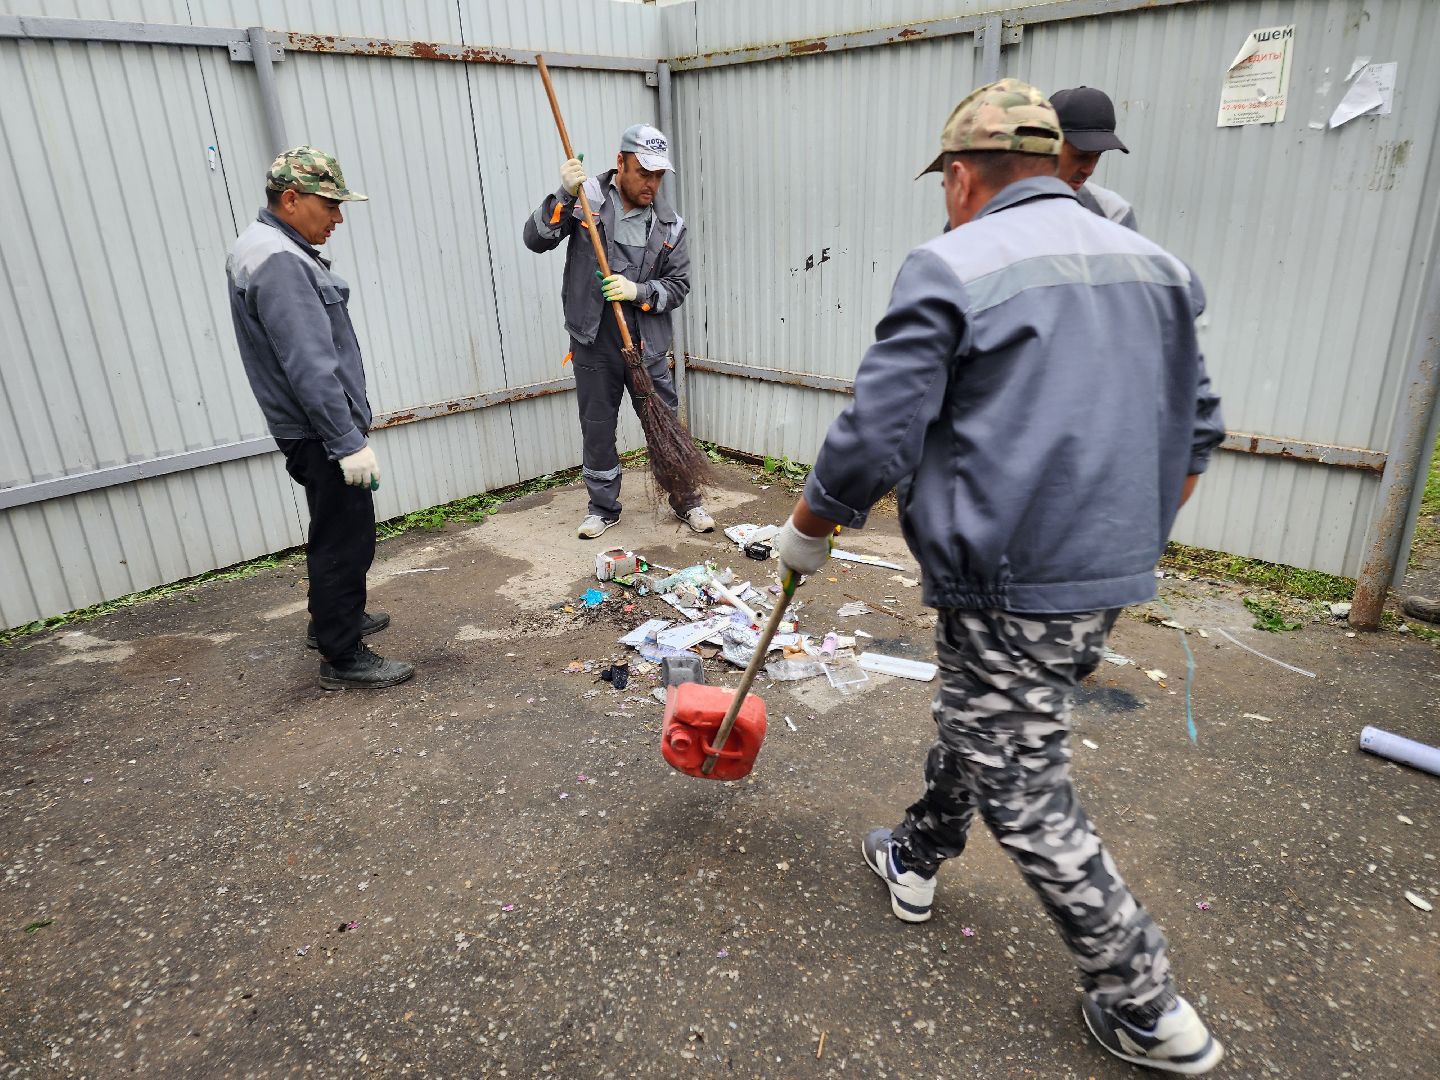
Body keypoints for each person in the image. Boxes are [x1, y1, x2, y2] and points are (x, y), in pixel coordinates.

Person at [773, 80, 1226, 1074]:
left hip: (1009, 574)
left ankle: (1145, 1001)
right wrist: (1128, 536)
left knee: (1020, 773)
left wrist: (808, 530)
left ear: (966, 177)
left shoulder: (953, 260)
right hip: (1108, 570)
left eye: (951, 181)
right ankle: (916, 853)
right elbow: (1199, 431)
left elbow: (877, 433)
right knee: (989, 717)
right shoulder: (1158, 266)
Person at [226, 146, 413, 691]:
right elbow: (309, 365)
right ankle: (342, 655)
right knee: (345, 536)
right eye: (329, 205)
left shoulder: (262, 246)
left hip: (308, 428)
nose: (337, 217)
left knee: (332, 526)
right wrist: (345, 440)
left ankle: (331, 621)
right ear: (291, 199)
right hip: (319, 430)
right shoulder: (281, 260)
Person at [523, 124, 714, 539]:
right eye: (644, 172)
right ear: (620, 162)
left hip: (645, 347)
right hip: (594, 342)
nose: (652, 184)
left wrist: (639, 291)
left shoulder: (670, 225)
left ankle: (686, 500)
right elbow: (536, 239)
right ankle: (603, 507)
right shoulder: (586, 200)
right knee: (597, 427)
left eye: (659, 175)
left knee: (665, 426)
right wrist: (563, 194)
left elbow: (678, 287)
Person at [1051, 86, 1139, 231]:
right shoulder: (1005, 202)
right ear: (1046, 144)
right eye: (1080, 156)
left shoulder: (1113, 213)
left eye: (1098, 154)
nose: (1089, 170)